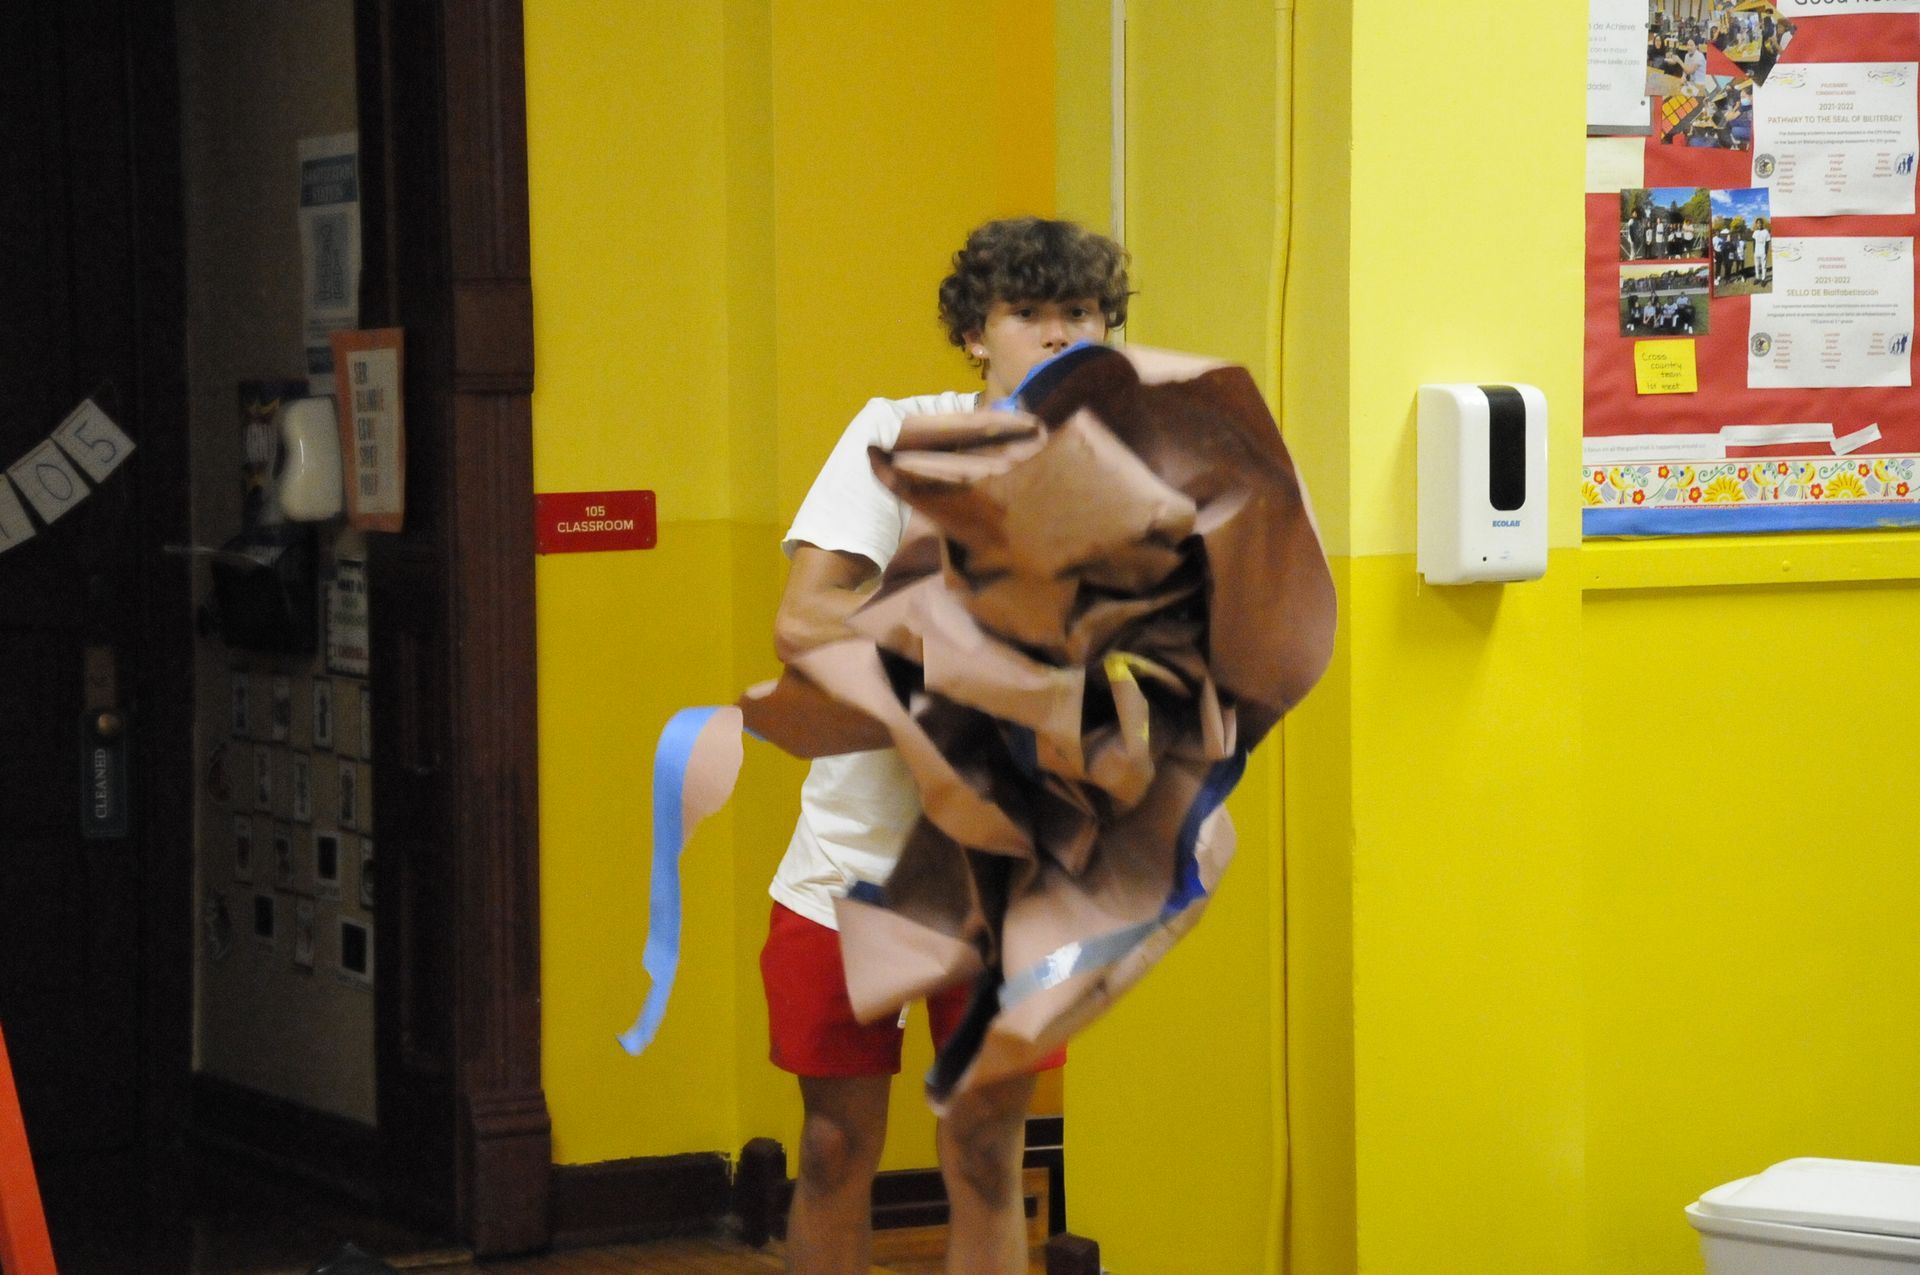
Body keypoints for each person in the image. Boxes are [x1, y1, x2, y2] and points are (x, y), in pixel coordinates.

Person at [766, 216, 1130, 1275]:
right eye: (1032, 315)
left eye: (1083, 317)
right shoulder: (900, 434)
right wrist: (955, 639)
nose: (1060, 337)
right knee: (835, 1146)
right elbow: (800, 624)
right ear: (978, 332)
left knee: (983, 1152)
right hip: (855, 863)